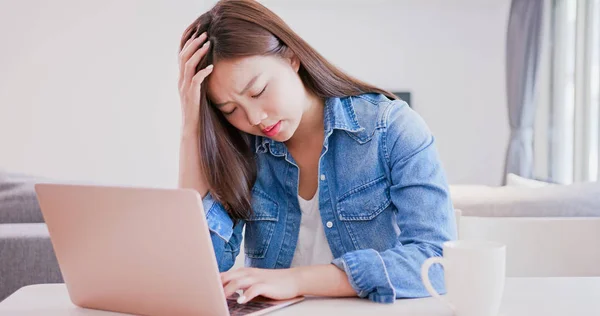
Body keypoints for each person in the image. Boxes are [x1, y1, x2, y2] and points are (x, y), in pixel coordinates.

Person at [177, 0, 456, 305]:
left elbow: (437, 262)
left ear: (292, 58)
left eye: (257, 91)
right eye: (230, 110)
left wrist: (297, 280)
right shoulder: (243, 147)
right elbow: (196, 269)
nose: (254, 118)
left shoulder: (390, 128)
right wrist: (192, 127)